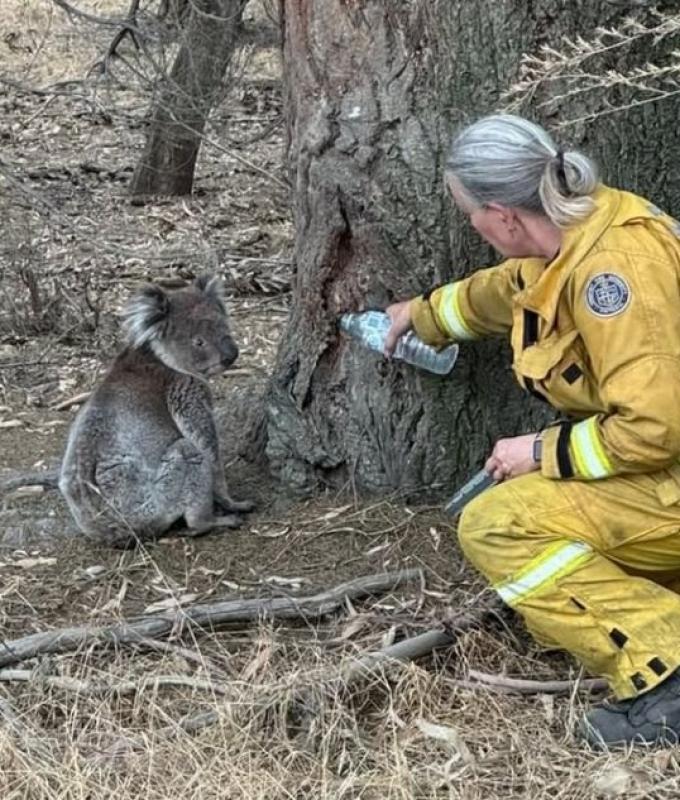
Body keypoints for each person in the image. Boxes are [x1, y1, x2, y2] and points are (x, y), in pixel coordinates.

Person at [385, 114, 680, 748]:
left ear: (504, 216)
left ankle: (668, 673)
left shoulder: (615, 276)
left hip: (667, 462)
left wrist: (542, 451)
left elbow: (655, 430)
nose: (472, 226)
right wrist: (423, 315)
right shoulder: (571, 234)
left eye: (471, 214)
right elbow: (507, 291)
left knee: (498, 524)